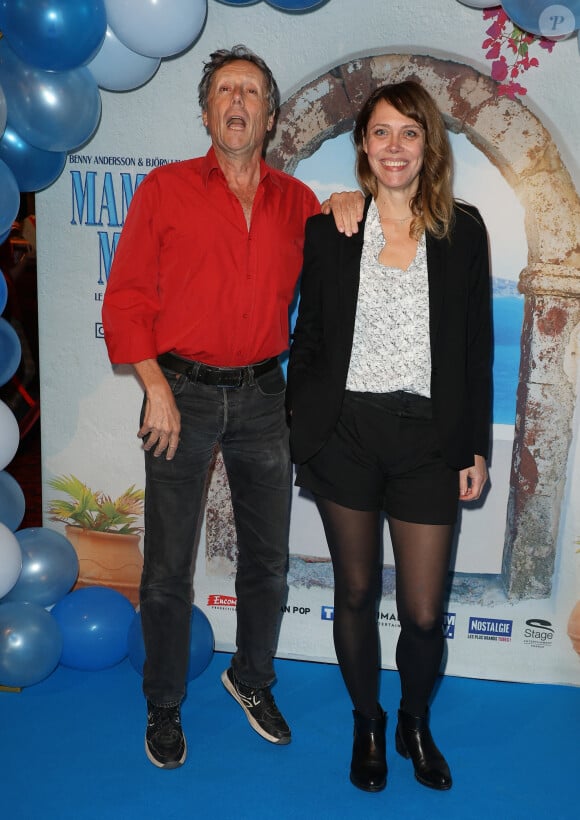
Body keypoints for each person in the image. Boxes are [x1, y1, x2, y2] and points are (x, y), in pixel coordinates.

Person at [102, 44, 360, 770]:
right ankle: (163, 702)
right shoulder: (165, 189)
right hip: (177, 394)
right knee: (166, 568)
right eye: (224, 91)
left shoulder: (297, 203)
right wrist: (154, 387)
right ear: (208, 111)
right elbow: (124, 301)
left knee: (268, 562)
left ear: (270, 116)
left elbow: (347, 283)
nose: (237, 102)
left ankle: (251, 679)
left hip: (262, 397)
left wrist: (348, 203)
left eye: (250, 91)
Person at [286, 80, 491, 794]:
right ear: (363, 145)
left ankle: (413, 719)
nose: (395, 146)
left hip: (427, 441)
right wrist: (301, 428)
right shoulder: (332, 229)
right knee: (355, 589)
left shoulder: (463, 230)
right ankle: (368, 721)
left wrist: (475, 449)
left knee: (425, 612)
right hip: (343, 434)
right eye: (380, 132)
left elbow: (475, 347)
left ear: (428, 144)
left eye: (409, 132)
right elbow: (307, 338)